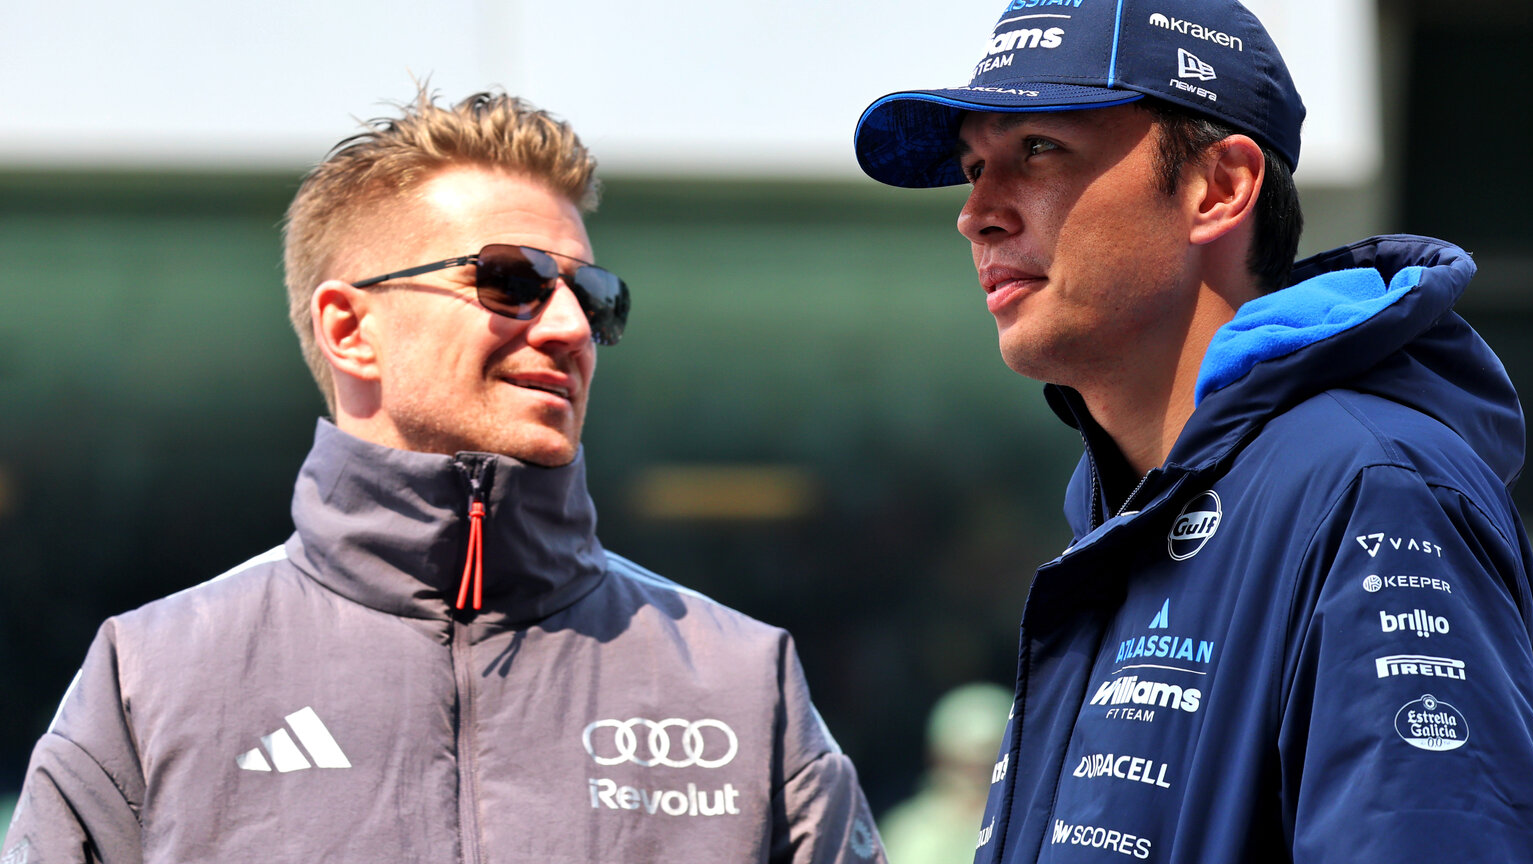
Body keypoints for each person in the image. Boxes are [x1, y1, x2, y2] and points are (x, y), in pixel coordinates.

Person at [5, 90, 884, 864]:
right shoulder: (154, 678)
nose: (571, 328)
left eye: (593, 296)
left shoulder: (739, 682)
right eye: (512, 281)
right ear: (350, 330)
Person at [853, 0, 1533, 862]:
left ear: (1221, 187)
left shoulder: (1371, 488)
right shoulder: (1123, 514)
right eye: (973, 167)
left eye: (1037, 148)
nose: (977, 214)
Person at [879, 682, 1013, 864]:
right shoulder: (908, 834)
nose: (978, 781)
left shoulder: (1030, 829)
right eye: (966, 768)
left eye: (991, 769)